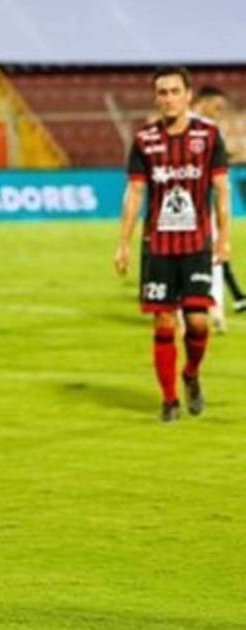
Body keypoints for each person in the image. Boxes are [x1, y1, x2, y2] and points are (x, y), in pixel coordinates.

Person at [114, 67, 231, 422]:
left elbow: (221, 189)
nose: (168, 98)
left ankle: (191, 374)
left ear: (188, 95)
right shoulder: (144, 140)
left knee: (197, 323)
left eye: (174, 91)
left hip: (196, 244)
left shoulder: (208, 137)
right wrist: (123, 243)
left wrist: (224, 238)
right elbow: (135, 193)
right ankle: (169, 400)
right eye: (162, 92)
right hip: (159, 247)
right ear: (156, 98)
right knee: (164, 323)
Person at [191, 86, 245, 328]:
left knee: (215, 252)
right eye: (217, 107)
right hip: (186, 203)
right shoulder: (185, 125)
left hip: (208, 200)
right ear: (203, 102)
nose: (220, 112)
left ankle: (216, 310)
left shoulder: (211, 130)